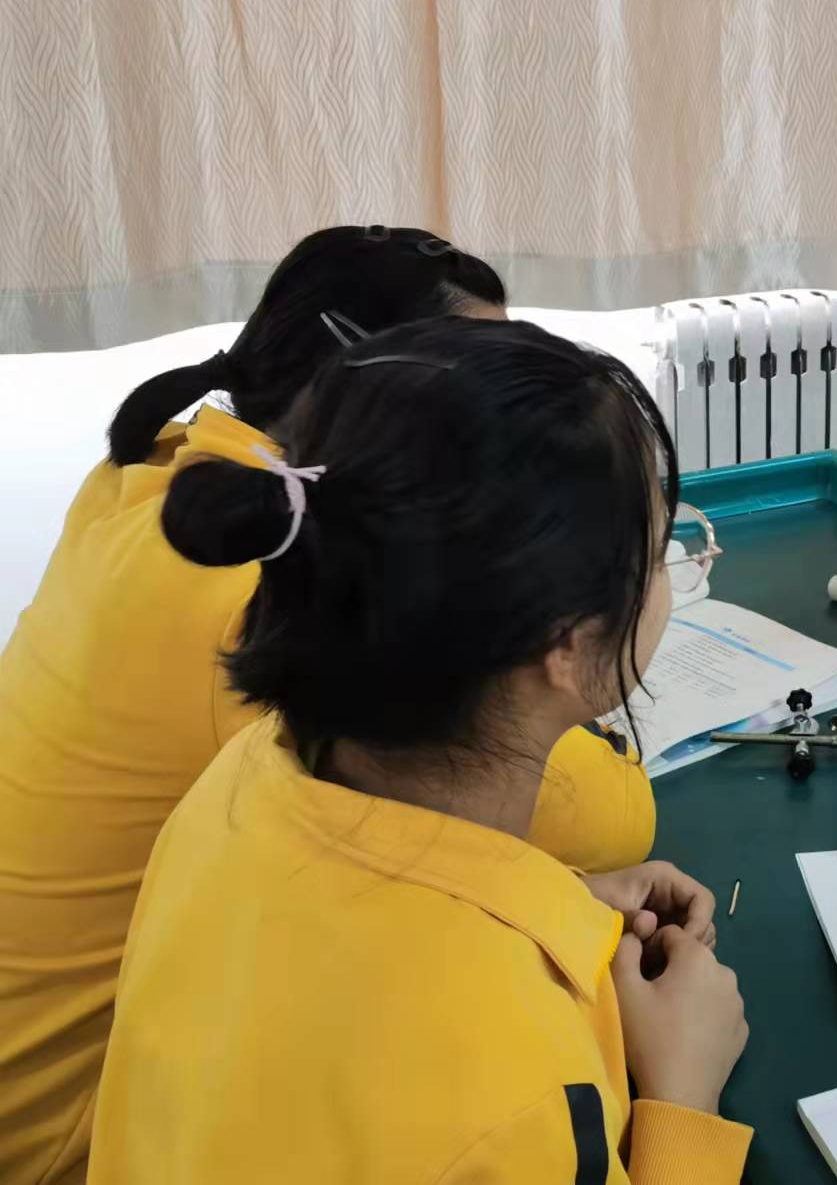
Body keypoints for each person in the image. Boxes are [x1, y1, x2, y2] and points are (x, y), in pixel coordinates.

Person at [0, 227, 653, 1183]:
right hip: (55, 1135)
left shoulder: (175, 487)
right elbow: (606, 814)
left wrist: (563, 905)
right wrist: (681, 1105)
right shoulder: (254, 598)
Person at [87, 318, 751, 1182]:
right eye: (660, 552)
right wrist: (684, 1097)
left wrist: (558, 901)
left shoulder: (238, 782)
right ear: (566, 641)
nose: (669, 574)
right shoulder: (513, 1094)